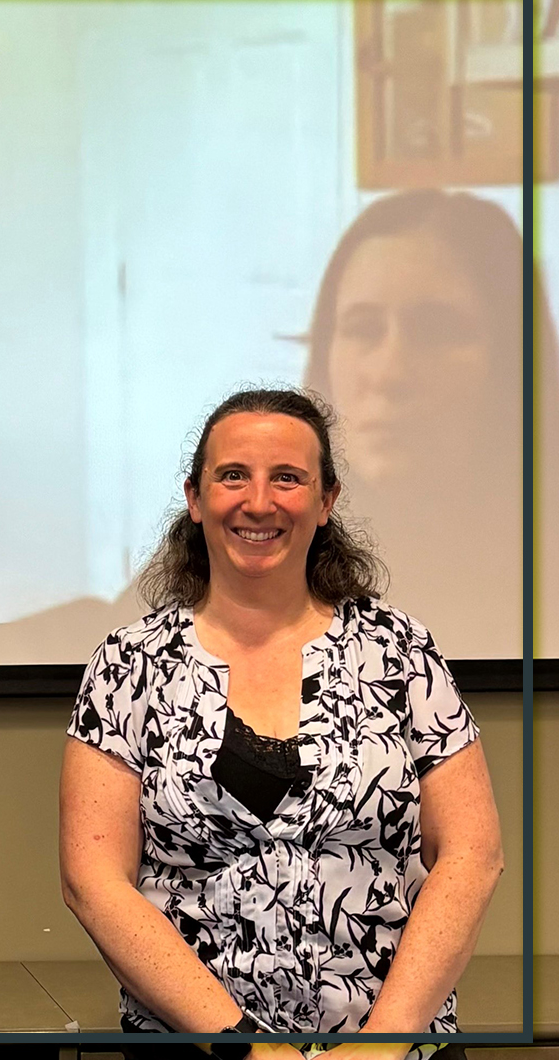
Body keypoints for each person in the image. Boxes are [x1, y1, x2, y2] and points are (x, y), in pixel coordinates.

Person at [59, 388, 504, 1058]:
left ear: (326, 502)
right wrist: (241, 1046)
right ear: (195, 497)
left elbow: (472, 855)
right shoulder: (128, 665)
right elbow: (93, 880)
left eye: (288, 479)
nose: (259, 502)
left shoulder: (400, 652)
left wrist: (384, 1044)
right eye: (232, 475)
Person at [304, 188, 558, 657]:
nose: (388, 374)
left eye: (436, 331)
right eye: (363, 329)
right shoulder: (251, 544)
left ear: (511, 363)